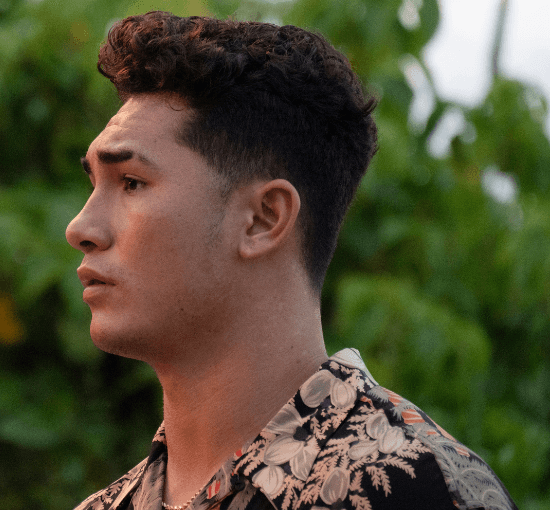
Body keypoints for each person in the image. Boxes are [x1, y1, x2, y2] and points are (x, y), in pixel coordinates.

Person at [65, 11, 516, 510]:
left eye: (131, 183)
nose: (80, 228)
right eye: (94, 186)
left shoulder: (410, 489)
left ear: (263, 219)